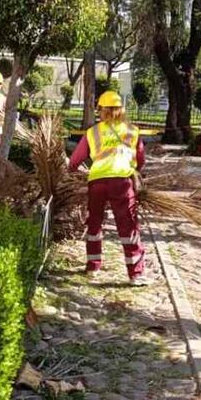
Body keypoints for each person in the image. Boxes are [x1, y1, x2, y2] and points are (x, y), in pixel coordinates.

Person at [68, 90, 148, 286]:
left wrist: (71, 170)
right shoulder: (132, 131)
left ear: (101, 110)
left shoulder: (92, 132)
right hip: (122, 182)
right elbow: (140, 159)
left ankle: (93, 267)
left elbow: (75, 160)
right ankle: (135, 274)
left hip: (97, 182)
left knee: (94, 224)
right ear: (121, 109)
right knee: (128, 227)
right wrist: (134, 170)